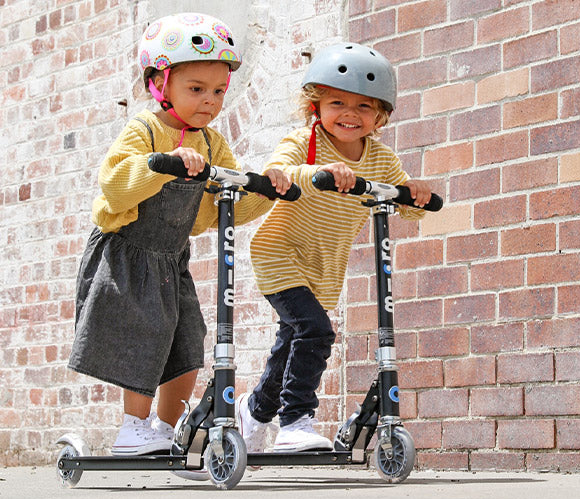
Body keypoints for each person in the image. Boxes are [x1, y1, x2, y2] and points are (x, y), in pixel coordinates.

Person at [67, 12, 291, 464]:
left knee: (188, 342)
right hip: (128, 251)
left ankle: (165, 432)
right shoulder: (145, 130)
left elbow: (218, 209)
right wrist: (160, 162)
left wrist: (265, 189)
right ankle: (133, 429)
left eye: (219, 91)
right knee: (143, 335)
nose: (210, 100)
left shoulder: (212, 143)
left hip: (171, 258)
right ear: (159, 83)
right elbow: (114, 184)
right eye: (196, 89)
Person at [237, 42, 433, 453]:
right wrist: (320, 172)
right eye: (337, 102)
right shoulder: (304, 141)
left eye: (364, 107)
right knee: (316, 331)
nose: (349, 114)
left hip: (324, 265)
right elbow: (280, 172)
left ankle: (253, 412)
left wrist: (413, 192)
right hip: (280, 252)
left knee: (293, 341)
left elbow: (404, 206)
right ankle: (295, 420)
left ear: (379, 116)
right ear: (315, 105)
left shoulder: (379, 158)